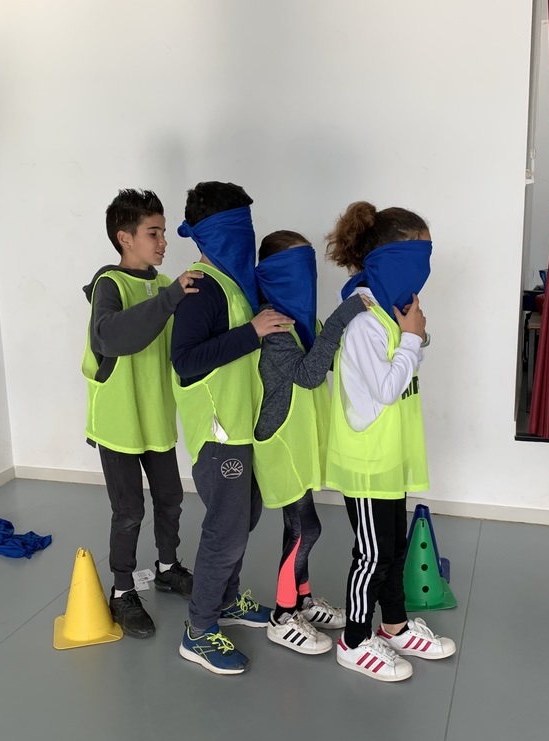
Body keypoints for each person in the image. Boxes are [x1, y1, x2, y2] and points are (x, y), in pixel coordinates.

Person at [324, 201, 457, 682]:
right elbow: (385, 388)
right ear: (392, 260)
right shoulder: (362, 320)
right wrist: (412, 339)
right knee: (373, 554)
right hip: (366, 459)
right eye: (418, 257)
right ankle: (355, 640)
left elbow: (402, 374)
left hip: (389, 455)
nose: (424, 271)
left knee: (394, 547)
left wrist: (412, 336)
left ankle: (394, 626)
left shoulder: (386, 313)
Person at [171, 181, 294, 675]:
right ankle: (199, 630)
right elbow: (185, 361)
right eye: (239, 227)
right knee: (226, 530)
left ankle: (224, 600)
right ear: (217, 233)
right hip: (217, 434)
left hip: (241, 426)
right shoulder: (200, 288)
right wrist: (252, 332)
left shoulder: (233, 284)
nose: (248, 237)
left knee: (245, 517)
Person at [81, 188, 202, 639]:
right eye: (154, 233)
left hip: (155, 416)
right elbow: (114, 337)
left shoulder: (163, 283)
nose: (163, 242)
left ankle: (168, 567)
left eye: (164, 232)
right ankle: (122, 590)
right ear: (125, 237)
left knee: (170, 498)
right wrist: (170, 298)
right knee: (129, 510)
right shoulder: (109, 285)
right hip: (118, 422)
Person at [252, 230, 368, 655]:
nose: (306, 280)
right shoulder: (273, 324)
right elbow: (308, 374)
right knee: (307, 527)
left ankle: (301, 599)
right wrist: (340, 319)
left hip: (301, 438)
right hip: (282, 441)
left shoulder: (302, 320)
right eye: (295, 270)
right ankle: (283, 615)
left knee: (297, 526)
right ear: (274, 274)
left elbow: (331, 358)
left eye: (309, 269)